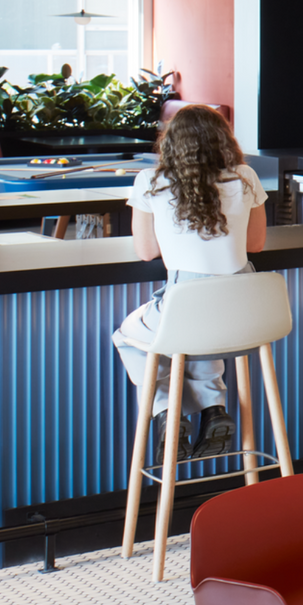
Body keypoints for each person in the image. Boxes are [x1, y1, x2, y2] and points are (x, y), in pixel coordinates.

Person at [111, 105, 267, 460]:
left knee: (129, 336)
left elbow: (146, 250)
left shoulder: (150, 182)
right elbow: (255, 245)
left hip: (188, 307)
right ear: (224, 139)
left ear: (171, 143)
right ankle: (214, 409)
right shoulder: (245, 177)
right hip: (246, 312)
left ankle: (168, 410)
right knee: (201, 335)